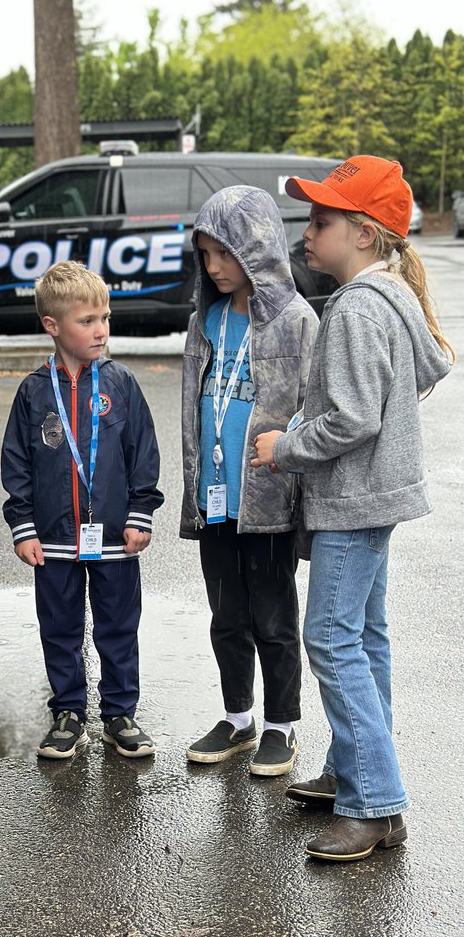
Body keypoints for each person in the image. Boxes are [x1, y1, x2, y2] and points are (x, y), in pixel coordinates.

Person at [252, 155, 454, 862]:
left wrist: (285, 446)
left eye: (321, 220)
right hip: (375, 497)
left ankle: (375, 804)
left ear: (364, 234)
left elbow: (353, 419)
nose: (306, 232)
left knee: (331, 641)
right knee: (365, 640)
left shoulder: (361, 308)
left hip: (354, 500)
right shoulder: (387, 298)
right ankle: (354, 773)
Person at [180, 185, 319, 777]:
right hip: (216, 501)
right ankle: (238, 718)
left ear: (257, 247)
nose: (214, 267)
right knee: (226, 615)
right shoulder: (203, 320)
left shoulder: (296, 321)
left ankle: (282, 724)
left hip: (269, 502)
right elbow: (193, 409)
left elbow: (315, 410)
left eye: (226, 254)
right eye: (206, 255)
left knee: (274, 618)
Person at [1, 260, 164, 760]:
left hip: (114, 537)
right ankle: (69, 712)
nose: (101, 331)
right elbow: (17, 462)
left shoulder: (121, 384)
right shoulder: (33, 391)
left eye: (105, 318)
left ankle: (119, 713)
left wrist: (141, 512)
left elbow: (143, 453)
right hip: (53, 539)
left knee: (118, 625)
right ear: (53, 326)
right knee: (61, 627)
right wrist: (23, 526)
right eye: (87, 321)